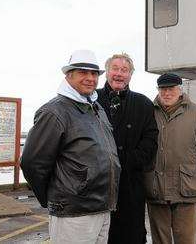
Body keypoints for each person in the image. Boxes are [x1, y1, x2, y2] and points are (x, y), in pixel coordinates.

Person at [21, 49, 121, 244]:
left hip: (102, 207)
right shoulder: (54, 111)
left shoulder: (96, 108)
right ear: (69, 75)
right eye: (83, 72)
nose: (90, 78)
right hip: (73, 213)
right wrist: (56, 199)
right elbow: (32, 163)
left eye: (94, 73)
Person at [145, 73, 196, 244]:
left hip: (186, 186)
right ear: (158, 90)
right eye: (163, 89)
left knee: (185, 239)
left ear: (180, 90)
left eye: (171, 89)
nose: (167, 93)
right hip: (156, 187)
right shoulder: (148, 112)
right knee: (160, 240)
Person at [97, 53, 158, 244]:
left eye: (124, 70)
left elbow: (150, 141)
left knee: (131, 235)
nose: (119, 74)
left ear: (131, 75)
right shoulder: (91, 100)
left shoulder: (143, 103)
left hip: (131, 184)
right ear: (107, 72)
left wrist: (128, 161)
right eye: (115, 69)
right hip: (97, 184)